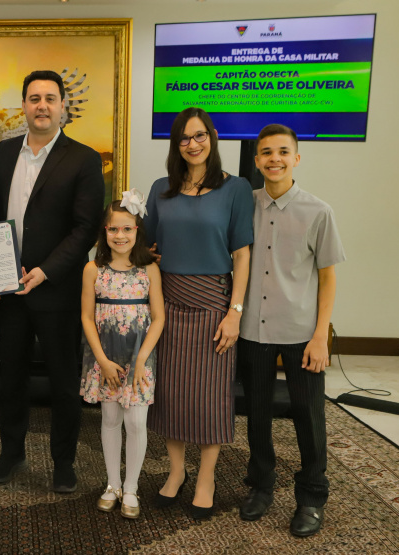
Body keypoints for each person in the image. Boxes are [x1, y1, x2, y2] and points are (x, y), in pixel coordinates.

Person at [0, 70, 105, 493]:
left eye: (50, 98)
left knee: (62, 381)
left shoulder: (84, 158)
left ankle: (63, 462)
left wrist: (45, 270)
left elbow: (85, 228)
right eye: (34, 98)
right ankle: (11, 453)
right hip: (9, 288)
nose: (42, 105)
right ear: (23, 105)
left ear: (62, 106)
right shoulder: (2, 153)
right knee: (10, 377)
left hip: (56, 290)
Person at [144, 107, 253, 519]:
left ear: (212, 137)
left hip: (214, 303)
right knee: (170, 393)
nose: (192, 144)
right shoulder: (160, 189)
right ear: (176, 144)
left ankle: (205, 477)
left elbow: (241, 253)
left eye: (199, 135)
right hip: (167, 302)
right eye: (184, 138)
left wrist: (235, 312)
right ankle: (176, 472)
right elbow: (149, 248)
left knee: (210, 398)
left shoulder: (235, 188)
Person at [237, 124, 345, 537]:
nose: (274, 159)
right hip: (253, 331)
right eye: (266, 152)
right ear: (257, 160)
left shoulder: (319, 211)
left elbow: (329, 278)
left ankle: (312, 496)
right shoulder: (243, 205)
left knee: (308, 416)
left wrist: (321, 337)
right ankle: (261, 485)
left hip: (302, 333)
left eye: (283, 151)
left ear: (296, 158)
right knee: (258, 413)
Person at [80, 191, 164, 519]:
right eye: (114, 229)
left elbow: (158, 317)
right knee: (111, 419)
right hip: (105, 357)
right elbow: (87, 316)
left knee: (137, 421)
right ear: (104, 231)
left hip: (139, 357)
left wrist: (142, 359)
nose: (120, 235)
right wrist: (101, 360)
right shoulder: (93, 269)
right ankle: (112, 484)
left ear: (138, 231)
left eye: (127, 229)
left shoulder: (148, 270)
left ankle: (131, 487)